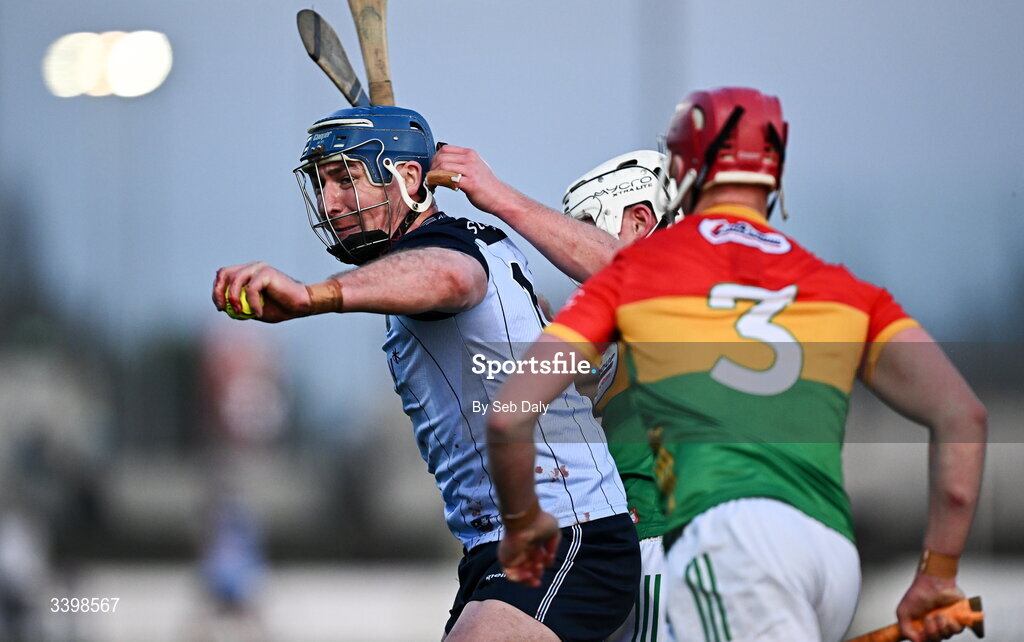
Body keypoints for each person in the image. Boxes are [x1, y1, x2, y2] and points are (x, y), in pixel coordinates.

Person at [483, 87, 987, 642]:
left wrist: (523, 522)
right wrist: (938, 572)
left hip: (725, 540)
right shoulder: (841, 287)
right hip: (832, 558)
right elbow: (964, 417)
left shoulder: (638, 278)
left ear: (683, 170)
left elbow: (509, 413)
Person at [211, 105, 640, 642]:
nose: (330, 201)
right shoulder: (467, 239)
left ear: (408, 178)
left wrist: (314, 295)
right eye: (322, 183)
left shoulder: (448, 254)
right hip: (502, 551)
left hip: (566, 539)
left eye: (346, 179)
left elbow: (450, 277)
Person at [431, 146, 675, 642]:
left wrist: (496, 195)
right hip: (638, 544)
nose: (573, 248)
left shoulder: (682, 284)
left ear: (641, 219)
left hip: (667, 540)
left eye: (589, 222)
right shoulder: (630, 329)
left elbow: (622, 270)